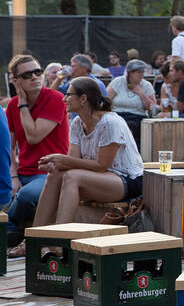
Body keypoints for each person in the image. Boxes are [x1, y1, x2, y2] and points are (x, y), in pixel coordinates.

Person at [31, 77, 144, 226]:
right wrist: (56, 164)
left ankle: (57, 240)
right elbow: (73, 160)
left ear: (83, 98)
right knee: (55, 174)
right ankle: (35, 236)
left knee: (72, 177)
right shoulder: (77, 123)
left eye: (68, 94)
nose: (64, 99)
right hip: (101, 177)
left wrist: (63, 160)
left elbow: (101, 165)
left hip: (127, 180)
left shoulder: (110, 123)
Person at [5, 55, 70, 247]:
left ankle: (8, 227)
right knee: (15, 191)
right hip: (23, 172)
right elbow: (9, 147)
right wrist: (13, 176)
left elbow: (34, 136)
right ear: (16, 81)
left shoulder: (56, 99)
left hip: (50, 172)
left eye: (37, 72)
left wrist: (23, 104)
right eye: (27, 75)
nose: (34, 77)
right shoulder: (11, 105)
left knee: (25, 195)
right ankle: (11, 231)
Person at [107, 59, 156, 145]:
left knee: (128, 126)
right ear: (130, 73)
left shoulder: (146, 85)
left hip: (136, 116)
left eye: (143, 72)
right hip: (117, 115)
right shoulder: (118, 82)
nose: (142, 75)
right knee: (113, 124)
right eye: (139, 72)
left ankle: (128, 150)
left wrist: (141, 93)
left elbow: (151, 107)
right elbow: (107, 99)